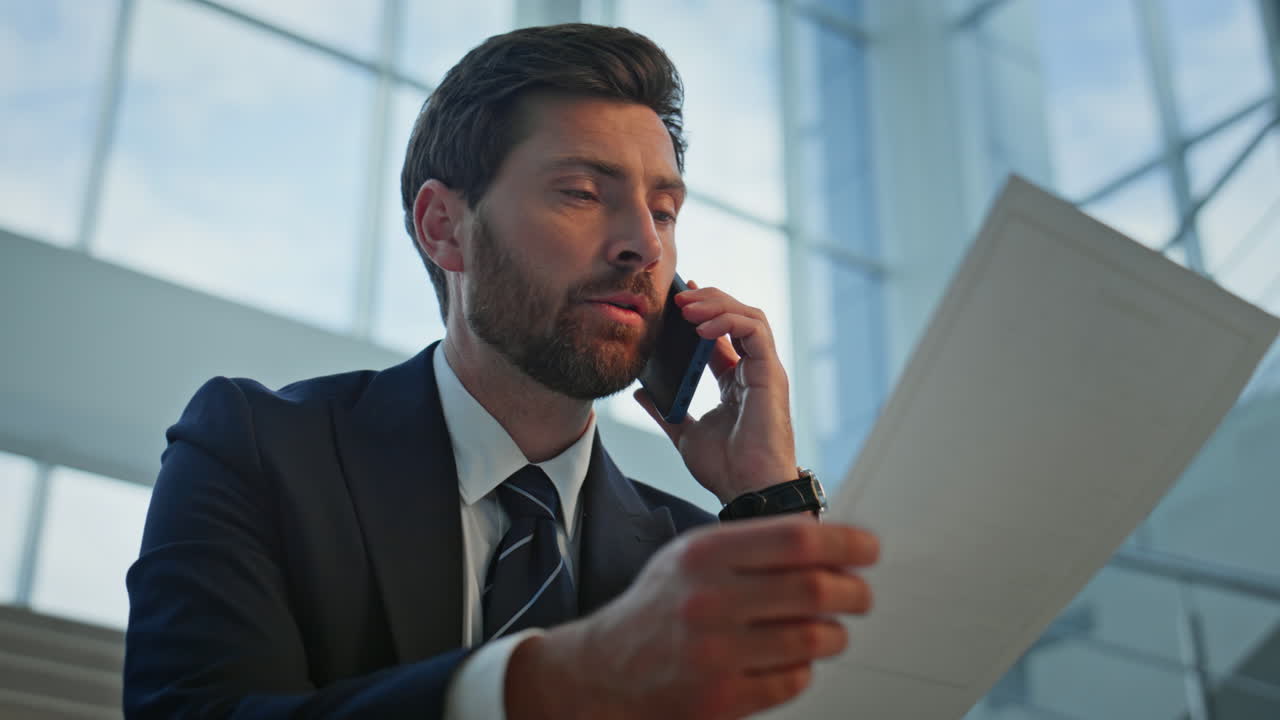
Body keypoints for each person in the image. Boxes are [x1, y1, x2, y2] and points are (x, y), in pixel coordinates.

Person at [123, 23, 878, 720]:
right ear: (444, 228)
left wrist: (767, 500)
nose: (643, 247)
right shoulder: (256, 450)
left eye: (665, 209)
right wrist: (552, 681)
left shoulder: (686, 558)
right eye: (583, 193)